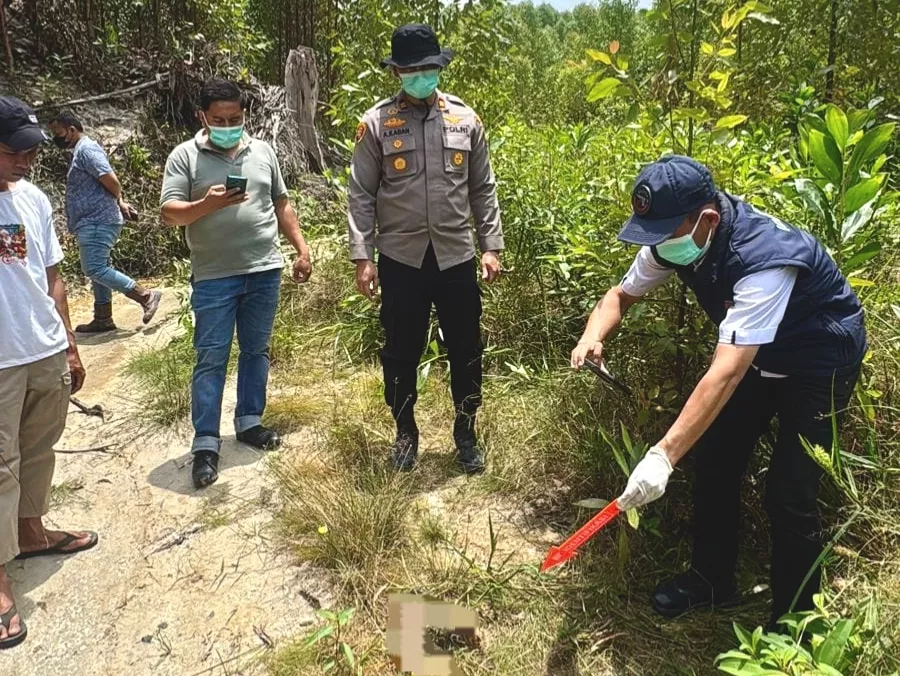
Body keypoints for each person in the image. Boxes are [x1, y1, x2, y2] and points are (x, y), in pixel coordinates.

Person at [571, 155, 866, 630]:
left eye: (663, 236)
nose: (656, 249)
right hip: (756, 355)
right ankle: (711, 580)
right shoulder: (675, 236)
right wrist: (593, 335)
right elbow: (619, 296)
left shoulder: (763, 259)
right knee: (715, 460)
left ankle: (795, 627)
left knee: (791, 491)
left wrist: (663, 455)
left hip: (819, 361)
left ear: (707, 220)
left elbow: (726, 373)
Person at [348, 24, 504, 474]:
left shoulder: (466, 119)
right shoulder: (375, 123)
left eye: (428, 68)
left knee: (466, 347)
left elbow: (483, 189)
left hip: (456, 256)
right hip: (401, 260)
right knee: (401, 350)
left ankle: (466, 433)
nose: (420, 76)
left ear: (440, 67)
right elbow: (361, 193)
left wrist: (490, 246)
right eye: (411, 69)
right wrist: (363, 256)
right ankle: (405, 433)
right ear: (396, 71)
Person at [160, 78, 312, 489]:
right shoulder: (184, 157)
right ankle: (206, 444)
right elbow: (170, 214)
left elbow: (281, 203)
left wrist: (300, 247)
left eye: (235, 118)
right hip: (214, 277)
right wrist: (205, 205)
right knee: (211, 358)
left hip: (264, 269)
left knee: (256, 350)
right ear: (202, 118)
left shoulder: (261, 151)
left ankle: (249, 422)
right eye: (218, 119)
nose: (228, 125)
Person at [0, 96, 99, 650]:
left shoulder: (33, 198)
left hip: (40, 350)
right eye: (15, 151)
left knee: (39, 448)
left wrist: (69, 345)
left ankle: (29, 531)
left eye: (33, 150)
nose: (27, 160)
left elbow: (54, 278)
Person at [48, 110, 162, 332]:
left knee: (94, 268)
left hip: (97, 220)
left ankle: (146, 296)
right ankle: (103, 318)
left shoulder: (87, 150)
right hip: (93, 220)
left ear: (71, 130)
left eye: (58, 132)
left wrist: (119, 200)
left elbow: (111, 180)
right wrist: (120, 203)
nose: (56, 138)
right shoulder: (81, 151)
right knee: (100, 267)